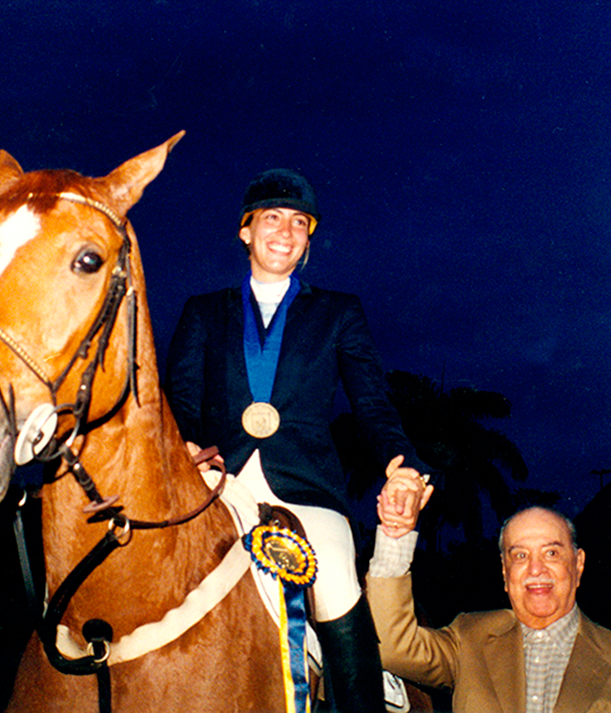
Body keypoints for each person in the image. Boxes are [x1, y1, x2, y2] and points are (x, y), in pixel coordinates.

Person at [164, 168, 432, 712]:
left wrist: (399, 462)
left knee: (336, 583)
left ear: (309, 239)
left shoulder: (339, 312)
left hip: (305, 490)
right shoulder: (203, 312)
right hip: (218, 484)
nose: (285, 232)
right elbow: (181, 403)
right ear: (246, 231)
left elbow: (372, 403)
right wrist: (186, 446)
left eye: (299, 222)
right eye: (272, 218)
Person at [368, 474, 611, 713]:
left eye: (551, 553)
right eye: (520, 555)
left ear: (578, 565)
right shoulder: (468, 639)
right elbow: (392, 647)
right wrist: (396, 535)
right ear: (505, 574)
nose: (535, 569)